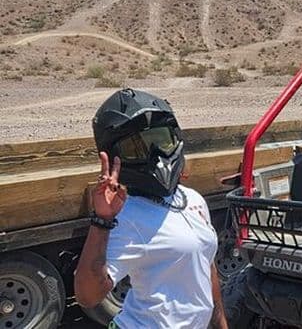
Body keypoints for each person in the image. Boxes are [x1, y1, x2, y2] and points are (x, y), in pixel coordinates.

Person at [74, 88, 228, 329]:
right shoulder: (128, 215)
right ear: (116, 158)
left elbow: (206, 267)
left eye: (161, 141)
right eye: (136, 149)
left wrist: (220, 322)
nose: (155, 156)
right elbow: (88, 295)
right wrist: (101, 221)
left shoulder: (193, 199)